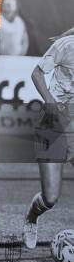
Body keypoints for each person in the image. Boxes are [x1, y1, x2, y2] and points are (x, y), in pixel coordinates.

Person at [22, 33, 74, 249]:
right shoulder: (67, 45)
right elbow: (36, 74)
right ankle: (31, 218)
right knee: (50, 198)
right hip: (53, 123)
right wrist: (52, 105)